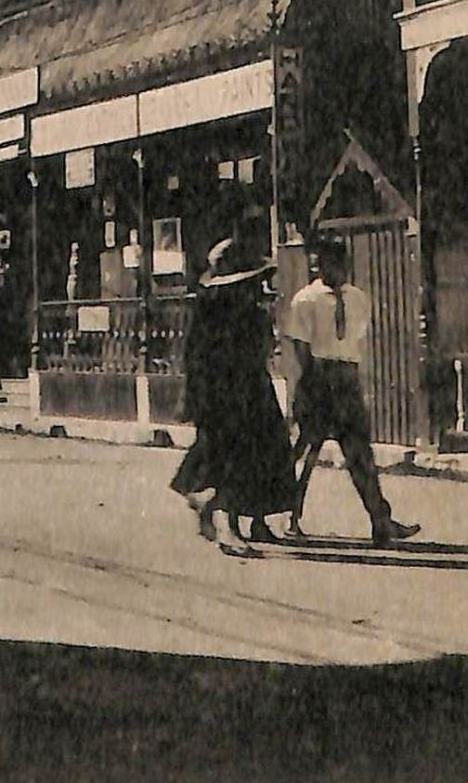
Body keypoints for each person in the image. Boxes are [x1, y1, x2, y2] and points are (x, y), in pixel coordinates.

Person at [283, 237, 421, 546]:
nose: (334, 269)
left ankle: (381, 522)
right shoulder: (305, 300)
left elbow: (355, 343)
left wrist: (350, 377)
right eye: (326, 263)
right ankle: (288, 517)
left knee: (361, 454)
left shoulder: (358, 299)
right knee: (305, 453)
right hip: (318, 378)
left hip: (347, 381)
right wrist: (312, 386)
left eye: (339, 263)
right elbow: (300, 347)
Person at [170, 240, 298, 554]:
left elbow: (264, 348)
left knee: (268, 452)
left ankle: (257, 521)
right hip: (222, 393)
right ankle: (227, 526)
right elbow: (196, 357)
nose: (259, 287)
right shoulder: (211, 310)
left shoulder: (253, 311)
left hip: (254, 388)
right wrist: (196, 399)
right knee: (231, 459)